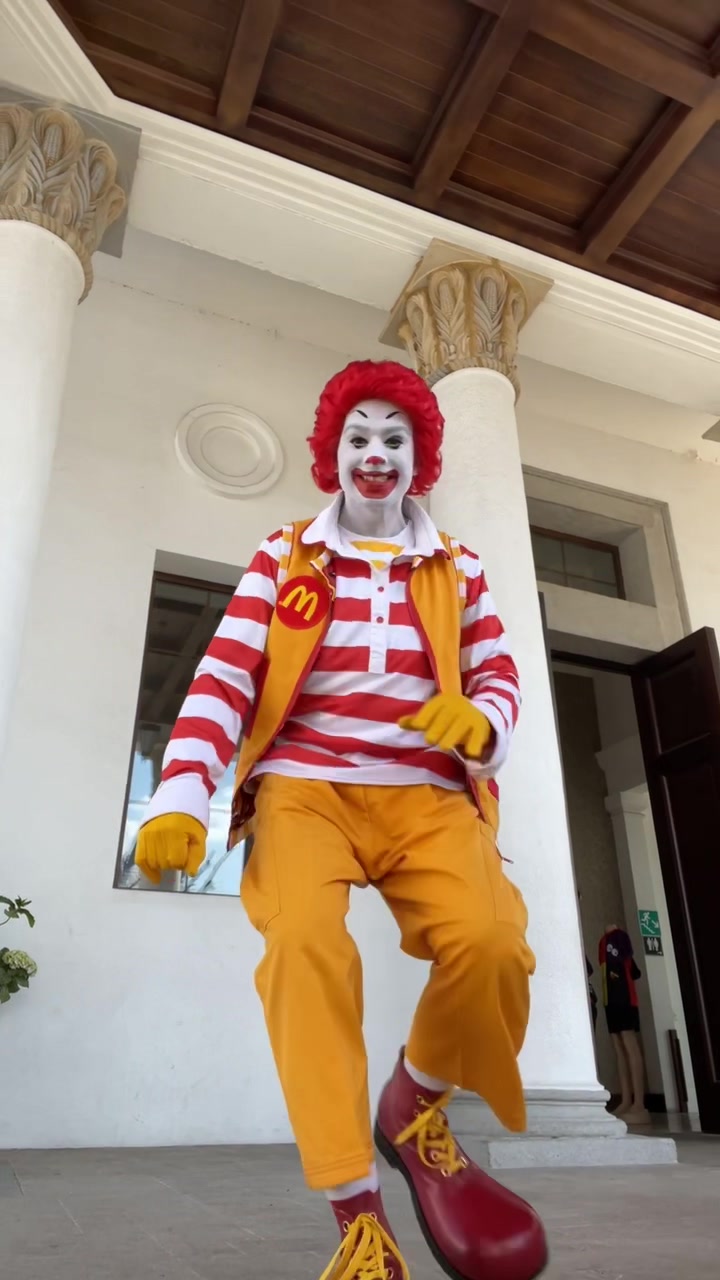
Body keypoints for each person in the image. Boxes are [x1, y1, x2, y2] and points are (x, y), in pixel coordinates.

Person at [136, 360, 548, 1280]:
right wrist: (182, 790)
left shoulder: (460, 566)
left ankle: (413, 1102)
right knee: (305, 949)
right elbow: (225, 678)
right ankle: (358, 1212)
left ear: (419, 458)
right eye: (359, 436)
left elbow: (497, 672)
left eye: (395, 438)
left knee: (493, 945)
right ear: (332, 453)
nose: (376, 452)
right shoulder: (284, 555)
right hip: (304, 790)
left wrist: (484, 723)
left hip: (427, 794)